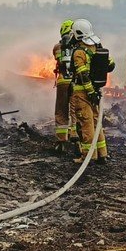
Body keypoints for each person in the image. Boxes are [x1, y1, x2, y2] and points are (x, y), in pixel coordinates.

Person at [67, 18, 114, 164]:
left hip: (83, 93)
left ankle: (88, 156)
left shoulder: (79, 52)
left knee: (85, 124)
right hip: (95, 91)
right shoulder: (97, 46)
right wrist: (94, 92)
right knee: (96, 122)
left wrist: (90, 92)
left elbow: (83, 74)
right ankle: (102, 154)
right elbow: (111, 64)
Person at [51, 20, 75, 152]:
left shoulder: (57, 47)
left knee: (61, 111)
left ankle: (61, 142)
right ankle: (75, 137)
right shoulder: (79, 46)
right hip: (76, 82)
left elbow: (58, 59)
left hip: (62, 82)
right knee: (75, 110)